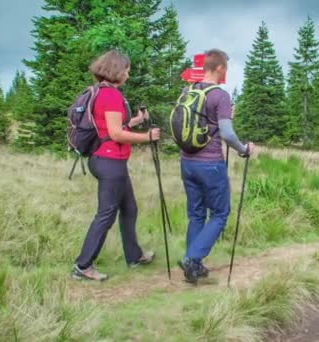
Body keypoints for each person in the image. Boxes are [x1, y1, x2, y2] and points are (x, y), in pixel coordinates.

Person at [72, 50, 160, 281]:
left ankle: (134, 256)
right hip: (109, 161)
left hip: (108, 160)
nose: (128, 74)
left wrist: (136, 121)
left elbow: (110, 126)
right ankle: (83, 266)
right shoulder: (110, 95)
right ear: (116, 70)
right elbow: (115, 134)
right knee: (106, 215)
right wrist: (147, 136)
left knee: (129, 209)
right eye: (126, 70)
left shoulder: (101, 92)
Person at [178, 49, 255, 283]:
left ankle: (192, 264)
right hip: (210, 163)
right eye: (226, 69)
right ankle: (192, 258)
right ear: (220, 68)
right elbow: (228, 135)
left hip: (187, 162)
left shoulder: (187, 91)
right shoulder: (220, 95)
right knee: (220, 213)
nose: (226, 73)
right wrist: (244, 150)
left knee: (196, 214)